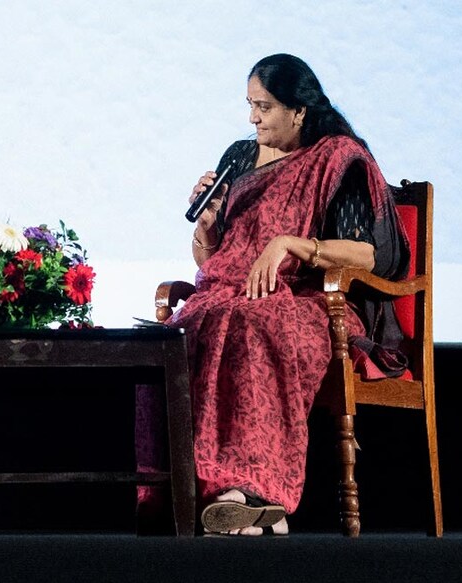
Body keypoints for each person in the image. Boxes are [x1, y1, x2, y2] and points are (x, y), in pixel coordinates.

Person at [166, 53, 410, 536]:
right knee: (184, 330)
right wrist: (208, 227)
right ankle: (191, 491)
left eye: (264, 107)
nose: (252, 118)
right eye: (250, 105)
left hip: (313, 303)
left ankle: (253, 491)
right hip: (234, 293)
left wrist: (291, 244)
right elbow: (214, 258)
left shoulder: (338, 158)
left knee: (254, 325)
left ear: (299, 110)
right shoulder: (239, 157)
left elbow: (367, 254)